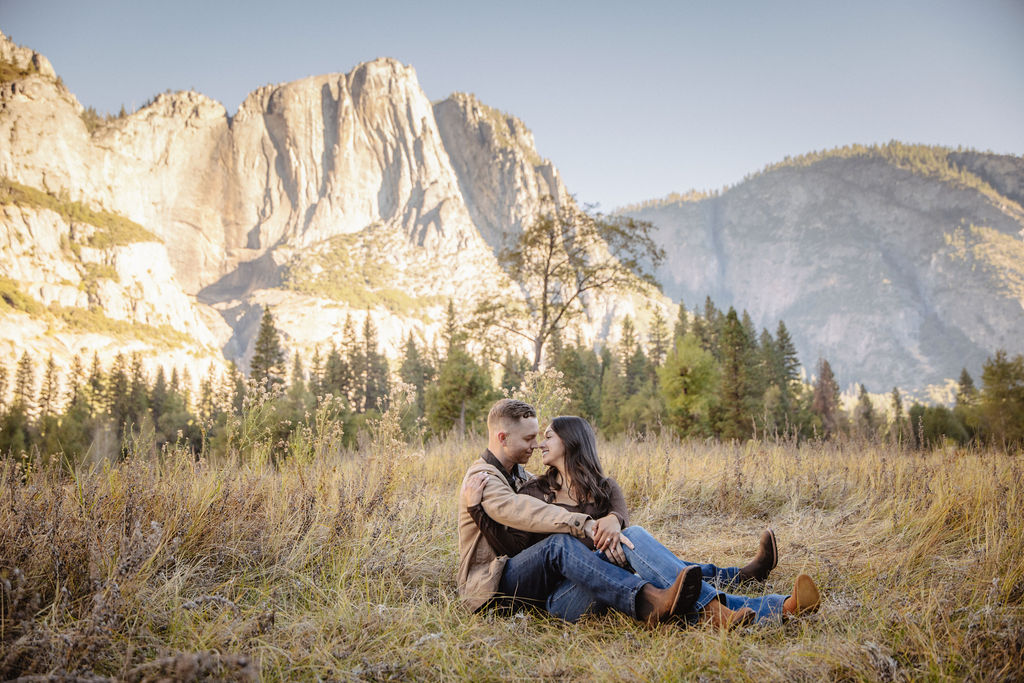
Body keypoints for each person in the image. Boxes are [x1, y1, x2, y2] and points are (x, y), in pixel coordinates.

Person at [462, 410, 822, 628]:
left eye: (547, 437)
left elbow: (619, 515)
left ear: (570, 443)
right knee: (632, 543)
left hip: (600, 574)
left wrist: (614, 525)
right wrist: (476, 509)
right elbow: (518, 547)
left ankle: (763, 609)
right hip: (562, 597)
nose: (540, 444)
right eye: (536, 438)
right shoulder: (533, 491)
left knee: (633, 537)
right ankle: (734, 589)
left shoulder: (604, 488)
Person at [456, 399, 705, 626]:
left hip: (527, 577)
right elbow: (520, 510)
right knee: (559, 545)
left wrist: (613, 520)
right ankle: (647, 600)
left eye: (539, 437)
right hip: (489, 585)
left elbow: (607, 495)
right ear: (502, 437)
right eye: (529, 438)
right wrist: (582, 524)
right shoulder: (482, 478)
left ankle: (720, 589)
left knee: (632, 538)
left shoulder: (523, 476)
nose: (536, 444)